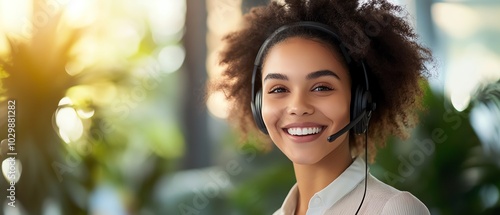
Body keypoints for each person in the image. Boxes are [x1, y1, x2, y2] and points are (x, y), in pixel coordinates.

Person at [208, 0, 433, 214]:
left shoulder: (393, 209)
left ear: (359, 102)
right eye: (278, 89)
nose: (298, 107)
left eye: (321, 87)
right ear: (258, 105)